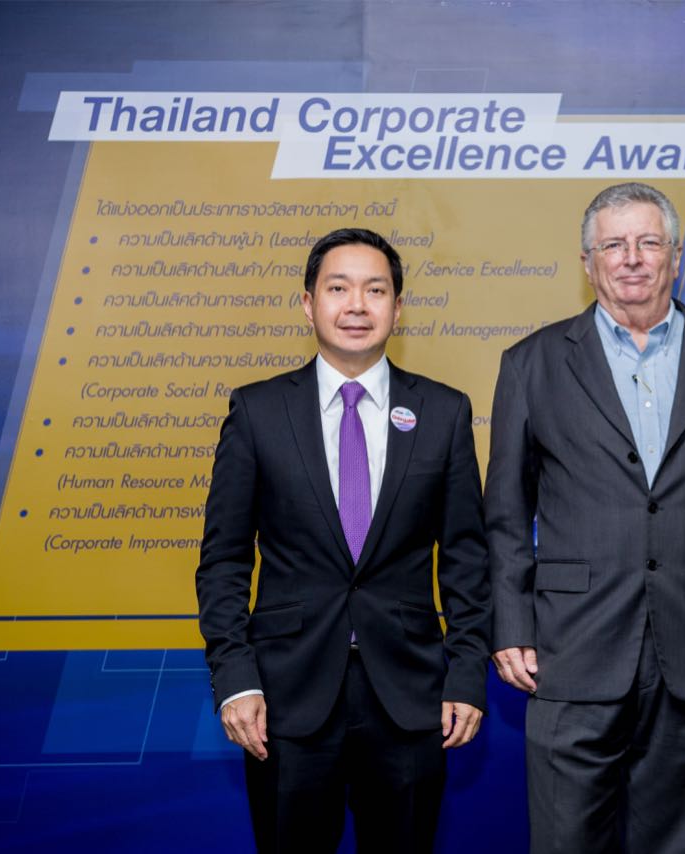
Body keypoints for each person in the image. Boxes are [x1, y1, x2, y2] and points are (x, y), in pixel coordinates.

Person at [485, 182, 685, 853]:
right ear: (587, 262)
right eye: (613, 245)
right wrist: (510, 624)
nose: (631, 258)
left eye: (649, 242)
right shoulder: (531, 363)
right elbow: (504, 515)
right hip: (570, 650)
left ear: (675, 257)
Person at [195, 228, 491, 853]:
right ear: (308, 304)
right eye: (338, 288)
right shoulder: (257, 412)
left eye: (375, 290)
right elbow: (223, 560)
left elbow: (467, 559)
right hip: (284, 701)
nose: (357, 305)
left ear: (398, 308)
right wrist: (236, 678)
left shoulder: (443, 413)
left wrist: (467, 674)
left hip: (410, 698)